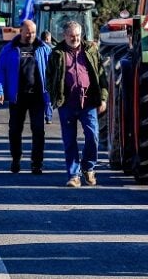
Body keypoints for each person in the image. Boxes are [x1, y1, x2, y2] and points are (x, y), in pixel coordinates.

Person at [47, 21, 108, 187]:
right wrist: (55, 97)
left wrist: (103, 98)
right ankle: (74, 175)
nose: (75, 39)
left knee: (93, 136)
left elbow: (101, 76)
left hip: (88, 102)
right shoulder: (57, 54)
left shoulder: (91, 51)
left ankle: (88, 167)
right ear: (64, 36)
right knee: (69, 140)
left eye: (78, 36)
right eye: (71, 36)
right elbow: (49, 77)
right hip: (67, 103)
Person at [0, 20, 51, 175]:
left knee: (38, 130)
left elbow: (53, 71)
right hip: (17, 97)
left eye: (33, 32)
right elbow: (1, 71)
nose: (30, 35)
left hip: (38, 97)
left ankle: (37, 163)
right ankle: (16, 159)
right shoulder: (9, 49)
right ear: (21, 31)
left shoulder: (44, 49)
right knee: (15, 130)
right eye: (28, 32)